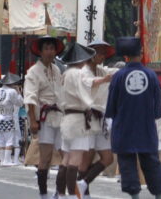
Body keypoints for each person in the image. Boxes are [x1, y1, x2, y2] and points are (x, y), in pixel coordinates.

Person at [105, 36, 161, 199]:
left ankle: (135, 197)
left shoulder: (118, 76)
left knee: (127, 165)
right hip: (146, 128)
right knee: (152, 164)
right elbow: (157, 109)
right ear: (140, 54)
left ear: (125, 56)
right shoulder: (151, 75)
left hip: (124, 128)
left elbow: (111, 106)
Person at [59, 43, 109, 199]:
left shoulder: (66, 73)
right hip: (78, 120)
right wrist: (103, 81)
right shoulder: (77, 73)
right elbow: (88, 86)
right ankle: (73, 195)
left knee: (66, 160)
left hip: (68, 119)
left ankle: (61, 194)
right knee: (74, 160)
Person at [24, 35, 65, 199]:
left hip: (59, 116)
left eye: (52, 48)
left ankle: (59, 192)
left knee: (67, 157)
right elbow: (30, 97)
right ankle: (43, 194)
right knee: (46, 159)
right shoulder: (33, 72)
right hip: (44, 118)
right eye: (46, 48)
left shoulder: (56, 69)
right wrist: (33, 120)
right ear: (40, 52)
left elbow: (61, 94)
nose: (50, 52)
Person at [80, 39, 116, 195]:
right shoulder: (84, 71)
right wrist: (104, 80)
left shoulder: (102, 70)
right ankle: (82, 191)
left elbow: (115, 72)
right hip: (88, 117)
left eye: (103, 52)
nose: (102, 55)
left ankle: (82, 184)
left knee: (108, 158)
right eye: (98, 52)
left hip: (101, 118)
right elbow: (89, 82)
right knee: (86, 159)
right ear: (91, 54)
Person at [0, 73, 24, 166]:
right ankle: (7, 160)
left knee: (1, 140)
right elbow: (19, 103)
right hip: (8, 117)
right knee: (9, 140)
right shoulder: (12, 91)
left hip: (0, 116)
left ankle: (2, 160)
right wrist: (19, 93)